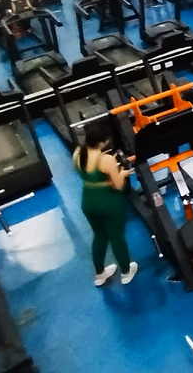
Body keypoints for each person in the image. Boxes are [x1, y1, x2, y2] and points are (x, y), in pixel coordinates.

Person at [73, 122, 137, 286]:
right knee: (116, 237)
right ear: (102, 141)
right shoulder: (106, 159)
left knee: (99, 236)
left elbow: (83, 173)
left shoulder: (78, 153)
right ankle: (126, 272)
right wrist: (122, 173)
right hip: (108, 201)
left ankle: (100, 275)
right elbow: (118, 185)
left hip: (88, 200)